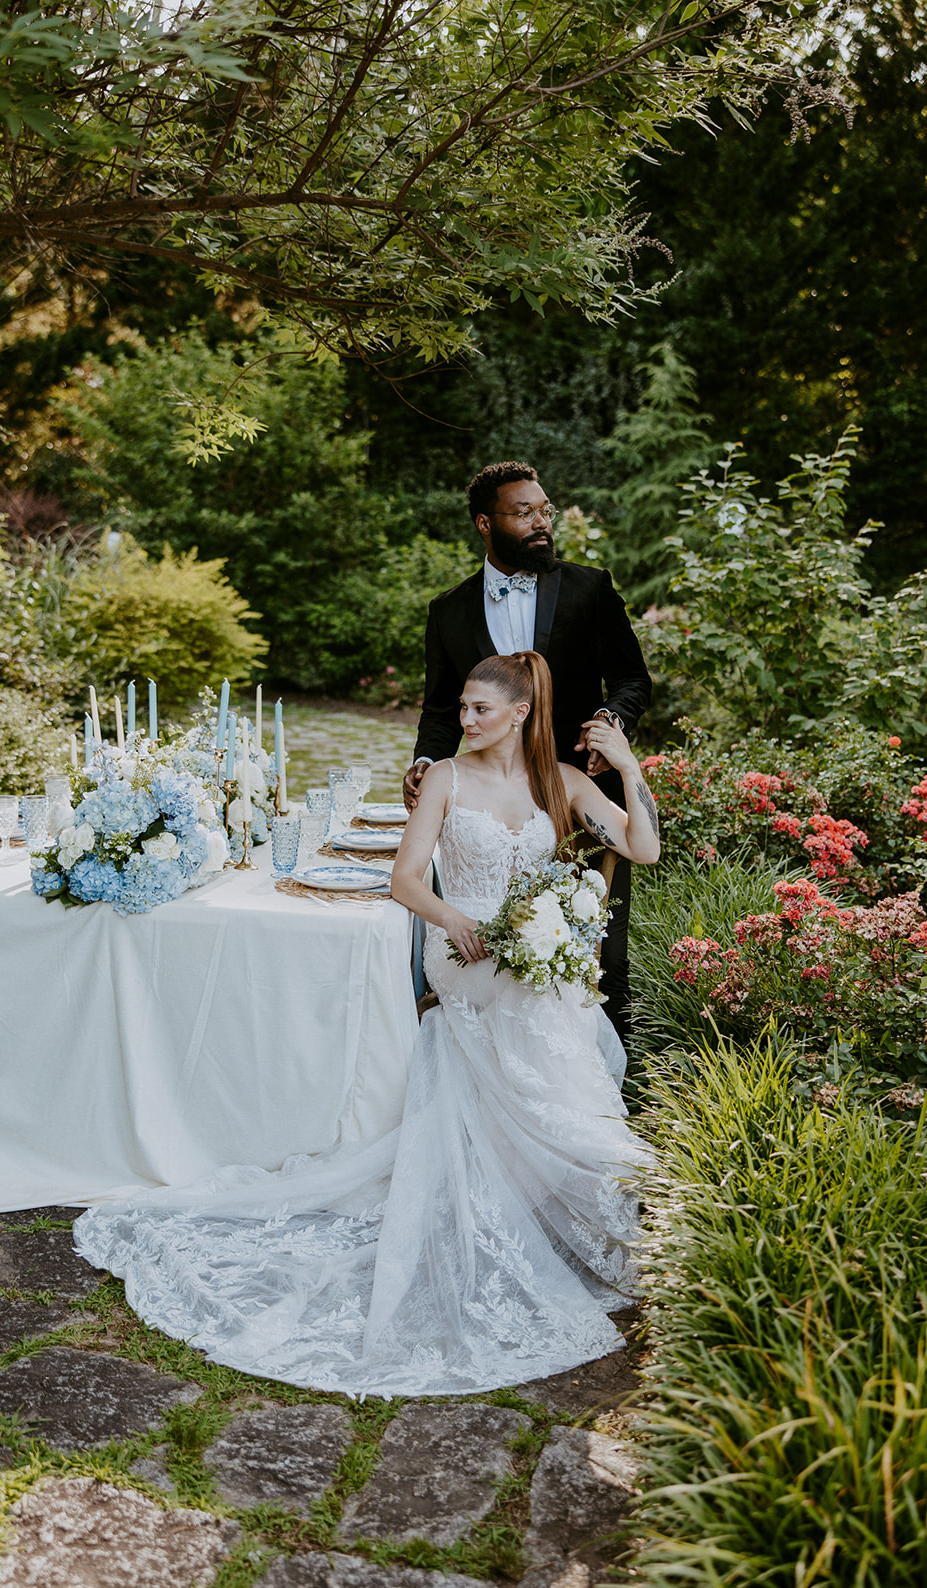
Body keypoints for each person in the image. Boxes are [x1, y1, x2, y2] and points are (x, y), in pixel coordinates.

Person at [73, 653, 659, 1397]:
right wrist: (453, 918)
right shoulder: (444, 778)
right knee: (532, 1007)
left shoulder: (564, 784)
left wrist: (626, 765)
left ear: (518, 713)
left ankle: (577, 1172)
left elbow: (642, 847)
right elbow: (405, 880)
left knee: (541, 1002)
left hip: (530, 953)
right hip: (466, 948)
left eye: (480, 709)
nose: (466, 719)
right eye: (463, 707)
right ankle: (583, 1164)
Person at [404, 460, 652, 1044]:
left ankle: (607, 1093)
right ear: (486, 524)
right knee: (502, 954)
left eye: (545, 510)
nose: (542, 522)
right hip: (490, 797)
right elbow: (442, 708)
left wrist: (608, 722)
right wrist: (424, 763)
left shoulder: (591, 589)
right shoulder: (449, 611)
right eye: (525, 513)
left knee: (596, 953)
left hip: (578, 792)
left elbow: (632, 678)